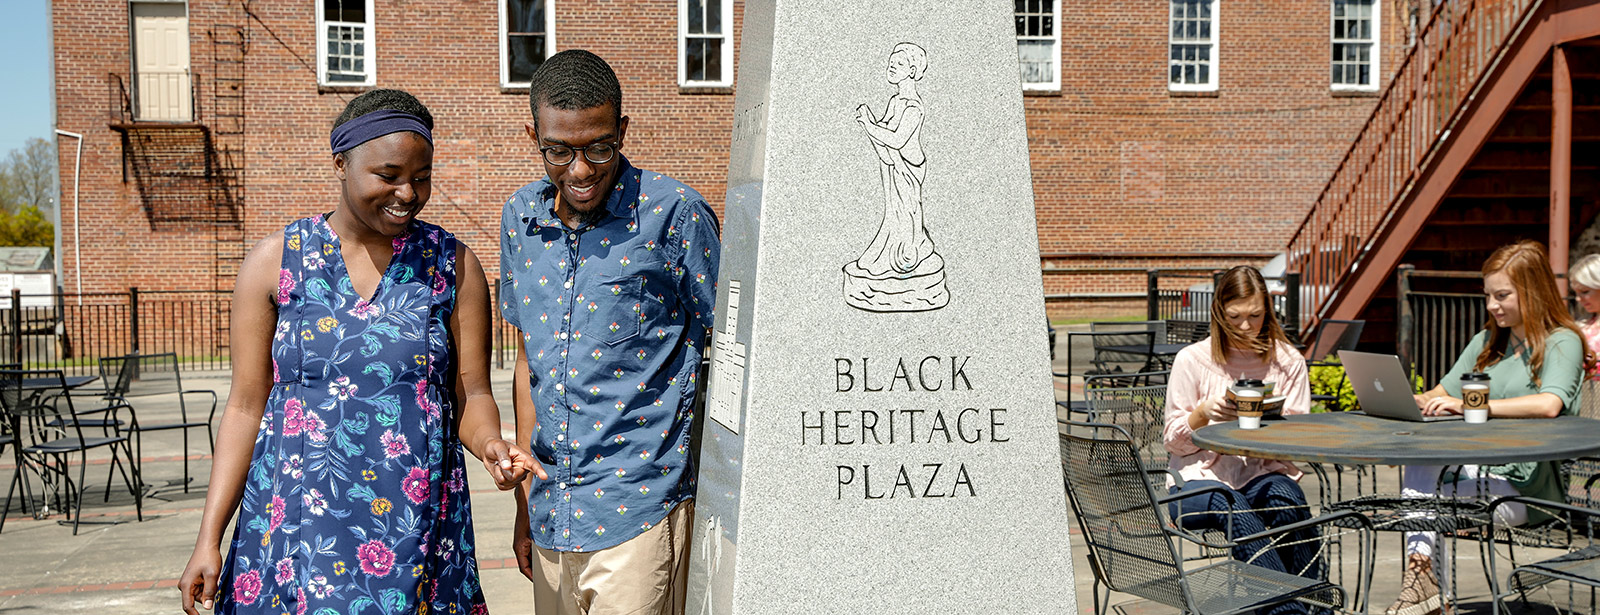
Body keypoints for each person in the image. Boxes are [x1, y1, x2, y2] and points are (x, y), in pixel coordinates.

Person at [179, 89, 543, 615]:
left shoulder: (453, 266)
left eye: (421, 177)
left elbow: (470, 392)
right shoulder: (275, 262)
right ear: (340, 163)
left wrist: (489, 443)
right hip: (294, 534)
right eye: (388, 175)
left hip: (417, 531)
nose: (407, 193)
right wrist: (208, 536)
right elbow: (243, 406)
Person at [499, 50, 720, 615]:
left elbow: (736, 352)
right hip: (551, 512)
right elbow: (530, 366)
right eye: (559, 151)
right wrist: (526, 505)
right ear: (534, 136)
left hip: (640, 511)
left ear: (622, 130)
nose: (580, 170)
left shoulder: (675, 214)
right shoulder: (520, 218)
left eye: (599, 147)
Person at [1389, 240, 1592, 615]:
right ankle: (1424, 586)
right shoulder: (1488, 341)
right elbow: (1441, 392)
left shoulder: (1561, 341)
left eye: (1502, 295)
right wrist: (1410, 401)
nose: (1491, 306)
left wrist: (1470, 404)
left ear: (1532, 291)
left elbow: (1549, 404)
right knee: (1420, 466)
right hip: (1479, 469)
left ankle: (1425, 590)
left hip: (1526, 486)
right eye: (1487, 295)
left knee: (1420, 499)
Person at [1162, 265, 1319, 615]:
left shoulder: (1287, 361)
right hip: (1195, 482)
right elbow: (1173, 443)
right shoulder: (1192, 359)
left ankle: (1315, 607)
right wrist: (1203, 414)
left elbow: (1300, 438)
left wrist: (1270, 419)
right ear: (1219, 312)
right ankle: (1291, 612)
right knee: (1230, 505)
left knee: (1289, 499)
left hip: (1260, 474)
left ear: (1268, 310)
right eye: (1235, 316)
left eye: (1256, 315)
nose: (1246, 326)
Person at [1567, 253, 1600, 415]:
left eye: (1585, 292)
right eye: (1576, 293)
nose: (1579, 299)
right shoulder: (1582, 325)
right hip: (1586, 399)